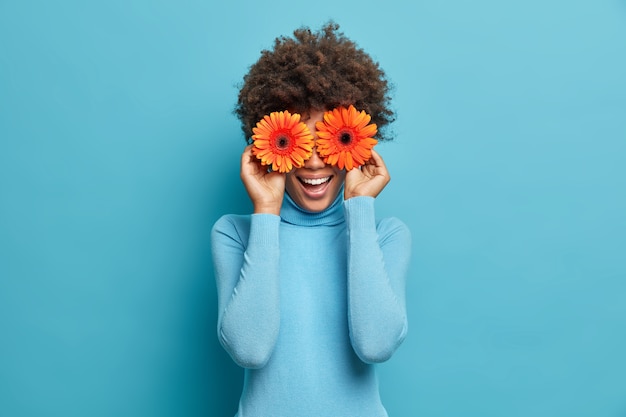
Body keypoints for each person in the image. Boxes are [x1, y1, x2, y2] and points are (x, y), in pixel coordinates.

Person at [211, 22, 411, 417]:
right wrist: (266, 211)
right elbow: (250, 349)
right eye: (298, 141)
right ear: (270, 143)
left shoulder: (386, 235)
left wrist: (359, 207)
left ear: (355, 143)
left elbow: (376, 344)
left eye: (327, 140)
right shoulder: (235, 232)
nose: (315, 160)